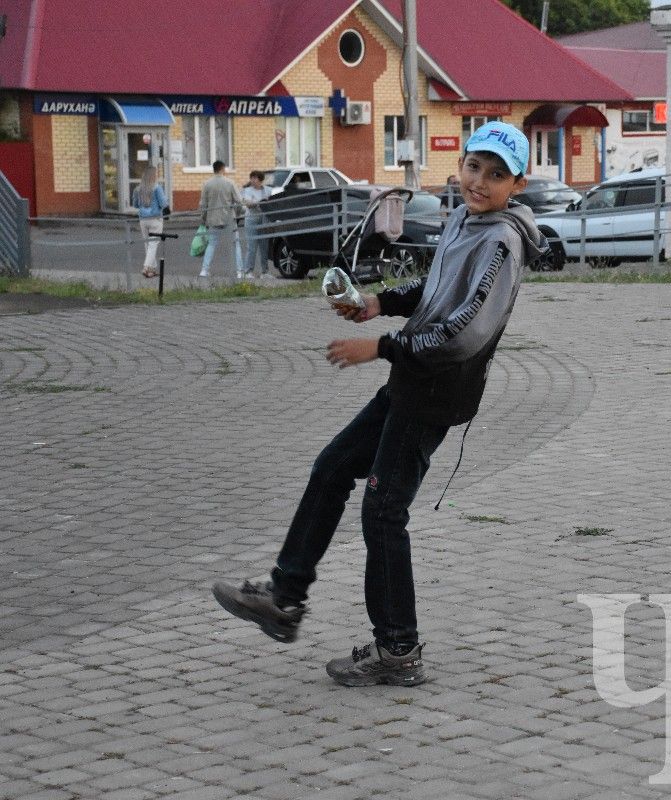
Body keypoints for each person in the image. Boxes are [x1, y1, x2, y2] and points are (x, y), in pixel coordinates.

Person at [212, 122, 546, 687]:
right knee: (333, 466)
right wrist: (377, 302)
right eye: (474, 167)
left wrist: (382, 347)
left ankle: (398, 649)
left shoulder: (501, 240)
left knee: (383, 510)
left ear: (518, 183)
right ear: (460, 165)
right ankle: (285, 598)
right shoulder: (467, 220)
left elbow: (463, 329)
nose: (480, 182)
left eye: (496, 175)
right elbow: (436, 290)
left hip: (436, 391)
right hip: (413, 382)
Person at [198, 160, 245, 279]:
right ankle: (239, 271)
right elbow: (239, 202)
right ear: (223, 169)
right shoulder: (230, 183)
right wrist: (239, 214)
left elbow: (203, 205)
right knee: (236, 244)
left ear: (214, 169)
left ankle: (204, 270)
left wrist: (203, 219)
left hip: (213, 219)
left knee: (211, 244)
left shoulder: (207, 184)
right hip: (229, 219)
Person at [132, 165, 169, 279]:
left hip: (143, 219)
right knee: (153, 243)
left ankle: (151, 269)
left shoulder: (138, 189)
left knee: (147, 243)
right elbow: (163, 203)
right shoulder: (157, 188)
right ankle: (146, 267)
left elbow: (135, 205)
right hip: (155, 219)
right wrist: (167, 211)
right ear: (153, 176)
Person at [241, 170, 271, 278]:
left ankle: (265, 271)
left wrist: (258, 202)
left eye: (255, 178)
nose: (253, 181)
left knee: (264, 246)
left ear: (260, 180)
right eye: (251, 178)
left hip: (264, 219)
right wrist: (260, 202)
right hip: (251, 219)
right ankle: (248, 271)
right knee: (251, 246)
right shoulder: (247, 190)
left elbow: (271, 202)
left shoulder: (268, 190)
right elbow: (248, 203)